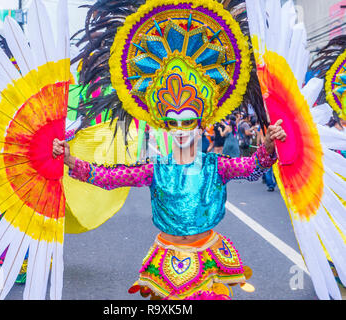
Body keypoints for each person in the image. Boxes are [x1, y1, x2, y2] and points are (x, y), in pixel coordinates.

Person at [53, 116, 286, 300]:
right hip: (167, 256)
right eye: (174, 123)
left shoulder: (216, 165)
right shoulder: (156, 168)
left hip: (208, 255)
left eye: (188, 123)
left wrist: (268, 145)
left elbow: (253, 168)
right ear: (167, 128)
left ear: (201, 126)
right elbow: (109, 176)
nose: (181, 129)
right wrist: (70, 160)